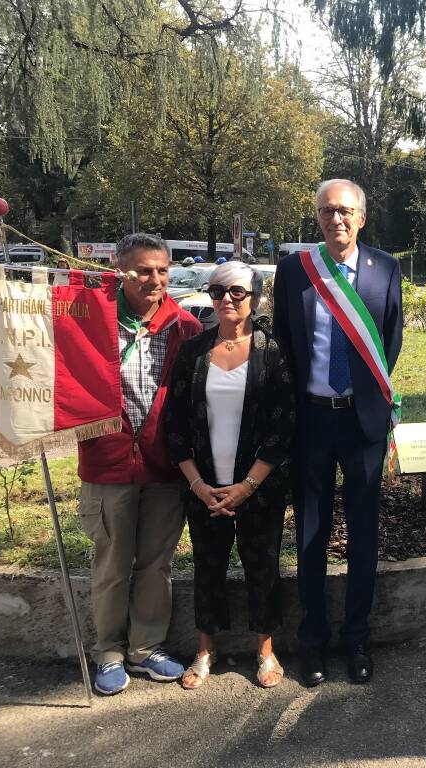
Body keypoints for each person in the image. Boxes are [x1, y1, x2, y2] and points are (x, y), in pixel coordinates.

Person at [273, 178, 403, 687]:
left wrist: (367, 398)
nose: (337, 220)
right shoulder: (295, 272)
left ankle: (357, 637)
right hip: (311, 420)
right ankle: (314, 642)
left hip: (362, 421)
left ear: (362, 217)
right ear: (319, 217)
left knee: (364, 536)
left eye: (345, 211)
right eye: (327, 212)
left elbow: (389, 341)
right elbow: (285, 339)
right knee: (310, 534)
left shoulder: (385, 268)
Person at [76, 233, 203, 695]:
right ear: (121, 270)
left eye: (162, 271)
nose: (155, 280)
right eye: (144, 270)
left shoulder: (184, 326)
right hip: (107, 465)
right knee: (111, 564)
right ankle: (109, 651)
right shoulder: (91, 322)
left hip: (165, 467)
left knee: (156, 563)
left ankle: (147, 648)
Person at [165, 262, 296, 690]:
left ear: (255, 298)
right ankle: (205, 650)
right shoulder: (193, 352)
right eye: (218, 291)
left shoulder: (273, 352)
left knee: (263, 566)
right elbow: (176, 425)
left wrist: (247, 486)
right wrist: (198, 485)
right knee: (208, 566)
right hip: (203, 488)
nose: (226, 299)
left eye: (237, 292)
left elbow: (283, 428)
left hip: (258, 488)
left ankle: (265, 650)